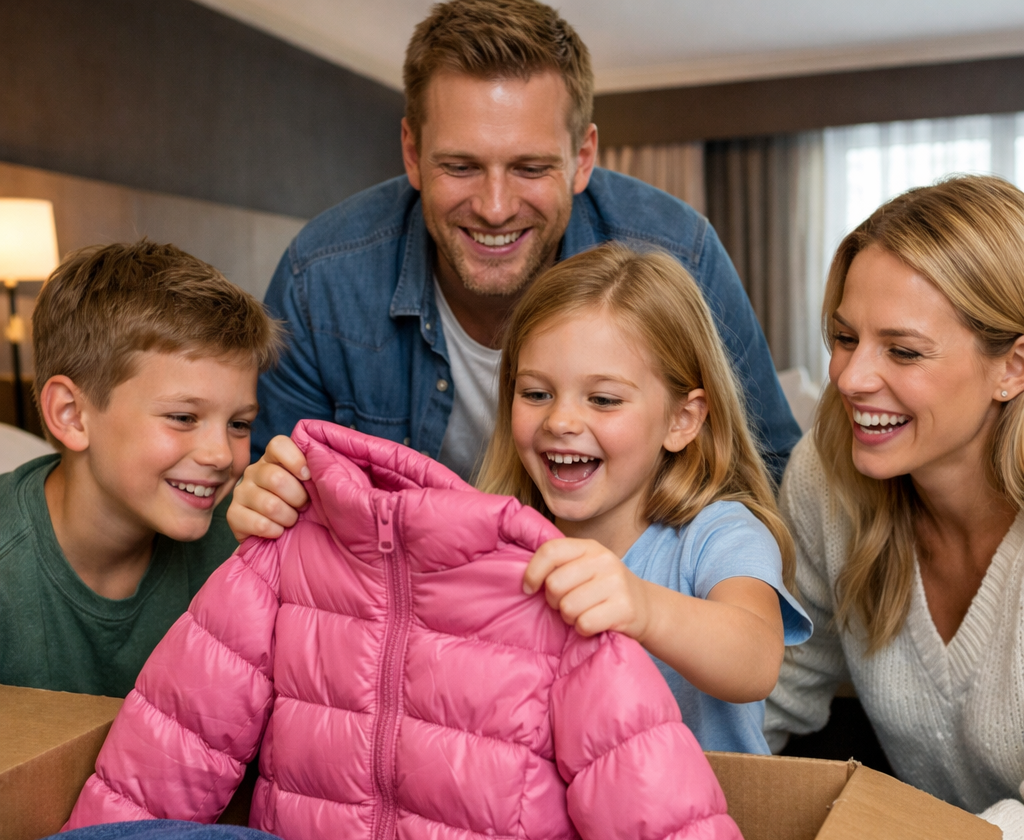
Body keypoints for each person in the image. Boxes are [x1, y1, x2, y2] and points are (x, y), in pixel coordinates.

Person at [232, 0, 800, 543]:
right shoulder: (321, 277)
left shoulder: (680, 253)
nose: (495, 207)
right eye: (460, 166)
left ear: (582, 158)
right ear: (411, 152)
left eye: (529, 167)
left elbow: (765, 478)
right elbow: (266, 492)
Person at [762, 176, 1024, 840]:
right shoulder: (828, 475)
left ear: (1012, 365)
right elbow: (774, 685)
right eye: (844, 337)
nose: (850, 378)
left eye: (901, 352)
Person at [476, 243, 811, 751]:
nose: (560, 421)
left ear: (682, 420)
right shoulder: (501, 540)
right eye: (536, 393)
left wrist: (643, 608)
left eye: (603, 399)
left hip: (706, 825)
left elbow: (755, 659)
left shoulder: (718, 535)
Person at [0, 240, 281, 698]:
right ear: (71, 414)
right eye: (183, 418)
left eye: (239, 424)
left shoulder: (239, 552)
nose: (221, 456)